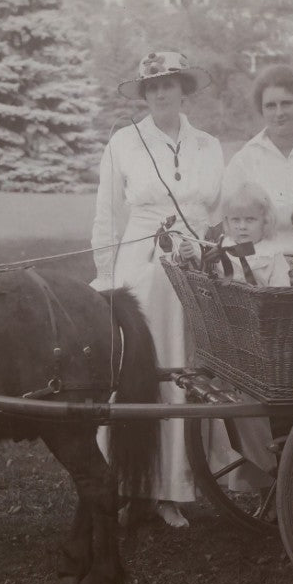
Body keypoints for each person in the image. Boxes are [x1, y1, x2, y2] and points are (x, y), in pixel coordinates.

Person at [90, 51, 223, 528]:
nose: (161, 93)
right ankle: (129, 485)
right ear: (144, 96)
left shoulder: (209, 145)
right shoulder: (124, 143)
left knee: (185, 376)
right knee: (139, 375)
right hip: (141, 271)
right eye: (151, 87)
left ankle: (173, 490)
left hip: (194, 272)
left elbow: (218, 214)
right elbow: (107, 214)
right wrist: (107, 278)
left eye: (169, 84)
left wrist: (209, 257)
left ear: (185, 89)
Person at [221, 66, 293, 273]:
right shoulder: (244, 160)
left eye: (287, 103)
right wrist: (269, 268)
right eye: (270, 105)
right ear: (261, 109)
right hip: (259, 269)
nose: (279, 113)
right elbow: (231, 228)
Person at [200, 182, 293, 287]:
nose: (242, 226)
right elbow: (206, 274)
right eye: (236, 220)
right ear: (227, 221)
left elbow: (280, 289)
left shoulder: (272, 253)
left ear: (265, 221)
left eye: (250, 219)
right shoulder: (224, 246)